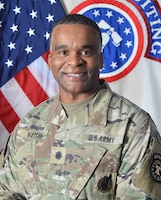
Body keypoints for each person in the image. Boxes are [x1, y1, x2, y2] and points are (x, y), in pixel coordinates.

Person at [0, 14, 161, 200]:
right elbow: (5, 190)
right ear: (51, 61)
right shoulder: (29, 124)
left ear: (100, 60)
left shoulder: (133, 126)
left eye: (86, 52)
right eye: (63, 52)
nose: (75, 61)